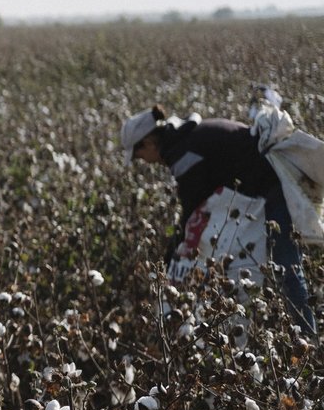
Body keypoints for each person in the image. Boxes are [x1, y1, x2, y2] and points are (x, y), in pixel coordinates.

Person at [122, 103, 317, 336]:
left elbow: (192, 210)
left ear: (148, 143)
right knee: (277, 270)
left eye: (139, 154)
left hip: (273, 191)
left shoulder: (184, 155)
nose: (143, 161)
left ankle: (309, 341)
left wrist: (169, 256)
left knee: (287, 270)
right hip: (263, 190)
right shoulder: (187, 137)